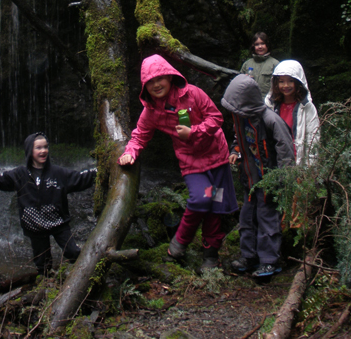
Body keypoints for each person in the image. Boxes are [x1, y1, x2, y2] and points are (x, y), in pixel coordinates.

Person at [118, 54, 238, 273]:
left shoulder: (193, 94)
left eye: (160, 79)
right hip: (192, 163)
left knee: (215, 207)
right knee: (202, 198)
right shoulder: (152, 111)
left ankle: (210, 257)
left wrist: (195, 130)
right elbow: (139, 135)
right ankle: (179, 243)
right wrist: (130, 152)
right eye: (150, 82)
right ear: (145, 86)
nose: (156, 85)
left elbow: (216, 118)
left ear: (170, 77)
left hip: (217, 158)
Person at [0, 132, 97, 275]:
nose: (43, 151)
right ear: (30, 151)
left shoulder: (58, 173)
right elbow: (1, 180)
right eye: (38, 148)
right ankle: (47, 283)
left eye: (45, 147)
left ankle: (84, 275)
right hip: (35, 227)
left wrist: (100, 170)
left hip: (58, 223)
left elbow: (80, 178)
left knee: (73, 251)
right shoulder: (20, 174)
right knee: (42, 264)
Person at [221, 74, 295, 278]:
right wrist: (234, 151)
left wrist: (283, 178)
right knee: (247, 217)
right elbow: (239, 138)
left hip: (269, 179)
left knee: (268, 218)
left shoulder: (271, 120)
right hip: (249, 178)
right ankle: (249, 256)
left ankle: (269, 261)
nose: (233, 112)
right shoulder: (240, 118)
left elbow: (285, 149)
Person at [265, 60, 320, 166]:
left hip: (297, 161)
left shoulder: (307, 107)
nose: (285, 85)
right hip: (275, 160)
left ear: (298, 82)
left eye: (290, 81)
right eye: (281, 81)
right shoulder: (270, 106)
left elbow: (313, 138)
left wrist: (309, 167)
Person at [240, 32, 279, 98]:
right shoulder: (247, 64)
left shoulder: (275, 64)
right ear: (253, 46)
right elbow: (239, 85)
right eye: (257, 44)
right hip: (248, 101)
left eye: (262, 43)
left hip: (267, 102)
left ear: (267, 45)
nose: (260, 47)